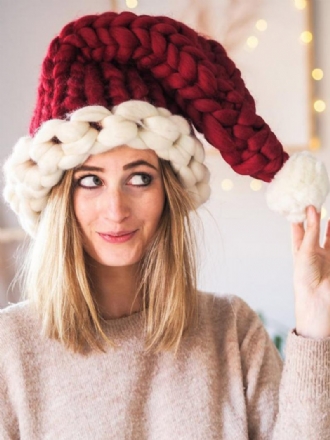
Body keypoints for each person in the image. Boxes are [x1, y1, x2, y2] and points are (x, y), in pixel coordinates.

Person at [1, 11, 330, 440]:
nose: (116, 208)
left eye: (139, 178)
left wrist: (315, 322)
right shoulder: (11, 348)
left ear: (168, 194)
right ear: (62, 198)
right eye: (90, 180)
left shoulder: (232, 329)